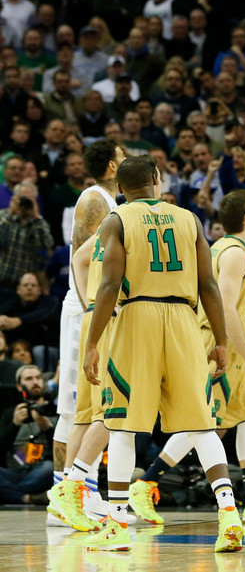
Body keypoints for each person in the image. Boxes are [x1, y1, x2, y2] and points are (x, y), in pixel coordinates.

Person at [80, 155, 244, 553]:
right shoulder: (188, 218)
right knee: (201, 423)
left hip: (138, 317)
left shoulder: (116, 220)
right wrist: (221, 340)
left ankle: (117, 525)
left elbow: (108, 286)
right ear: (157, 179)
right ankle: (229, 515)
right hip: (185, 319)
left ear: (119, 188)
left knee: (121, 422)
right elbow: (208, 284)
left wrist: (91, 343)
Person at [129, 190, 245, 525]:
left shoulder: (221, 247)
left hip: (227, 343)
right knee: (201, 424)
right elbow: (227, 311)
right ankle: (145, 484)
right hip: (218, 342)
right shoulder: (234, 253)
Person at [47, 139, 124, 532]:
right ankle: (67, 492)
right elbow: (79, 257)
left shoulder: (115, 205)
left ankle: (79, 490)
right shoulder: (94, 198)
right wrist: (92, 309)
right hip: (85, 311)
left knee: (93, 408)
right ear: (112, 165)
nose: (127, 162)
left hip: (97, 310)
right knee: (78, 409)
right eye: (124, 157)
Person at [0, 364, 54, 505]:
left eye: (38, 378)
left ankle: (9, 494)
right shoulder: (10, 413)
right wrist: (15, 425)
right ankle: (26, 498)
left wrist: (47, 427)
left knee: (50, 467)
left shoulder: (54, 411)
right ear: (19, 386)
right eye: (29, 379)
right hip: (15, 471)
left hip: (42, 470)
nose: (35, 382)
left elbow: (63, 453)